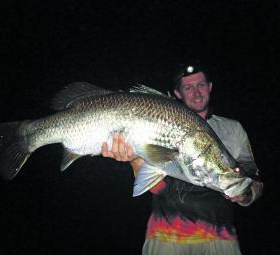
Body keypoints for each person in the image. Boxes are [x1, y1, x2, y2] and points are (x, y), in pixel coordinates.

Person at [101, 62, 263, 255]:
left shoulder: (233, 130)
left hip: (220, 239)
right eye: (188, 87)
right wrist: (133, 159)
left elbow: (254, 181)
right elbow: (157, 188)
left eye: (201, 85)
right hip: (165, 238)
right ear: (178, 93)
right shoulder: (156, 122)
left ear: (210, 87)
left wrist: (244, 194)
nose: (196, 93)